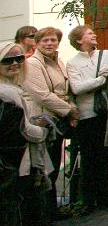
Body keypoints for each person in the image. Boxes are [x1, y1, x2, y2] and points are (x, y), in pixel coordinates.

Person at [23, 26, 80, 222]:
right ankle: (43, 214)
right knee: (45, 168)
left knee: (54, 166)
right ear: (37, 43)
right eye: (45, 40)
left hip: (58, 120)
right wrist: (70, 110)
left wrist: (71, 108)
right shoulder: (32, 64)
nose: (49, 43)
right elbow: (42, 95)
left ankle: (51, 211)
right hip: (43, 121)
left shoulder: (59, 62)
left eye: (53, 40)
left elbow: (66, 91)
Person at [65, 25, 108, 215]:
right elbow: (77, 88)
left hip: (106, 113)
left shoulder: (107, 55)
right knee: (89, 158)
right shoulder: (72, 63)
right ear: (79, 40)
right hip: (86, 115)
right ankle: (88, 201)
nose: (94, 35)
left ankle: (104, 197)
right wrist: (101, 80)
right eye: (89, 33)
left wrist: (101, 80)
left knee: (106, 156)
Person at [0, 41, 51, 226]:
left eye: (19, 58)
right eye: (7, 60)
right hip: (17, 160)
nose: (15, 63)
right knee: (23, 209)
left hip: (10, 160)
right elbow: (24, 130)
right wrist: (44, 131)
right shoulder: (8, 92)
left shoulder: (12, 87)